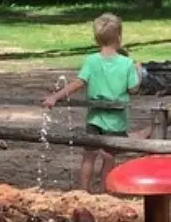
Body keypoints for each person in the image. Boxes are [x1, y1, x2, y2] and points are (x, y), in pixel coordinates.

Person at [43, 13, 140, 193]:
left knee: (88, 156)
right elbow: (134, 89)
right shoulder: (127, 64)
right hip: (116, 120)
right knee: (109, 157)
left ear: (96, 39)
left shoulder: (91, 61)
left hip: (94, 118)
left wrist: (55, 96)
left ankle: (84, 190)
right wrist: (139, 73)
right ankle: (105, 191)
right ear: (119, 36)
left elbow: (78, 82)